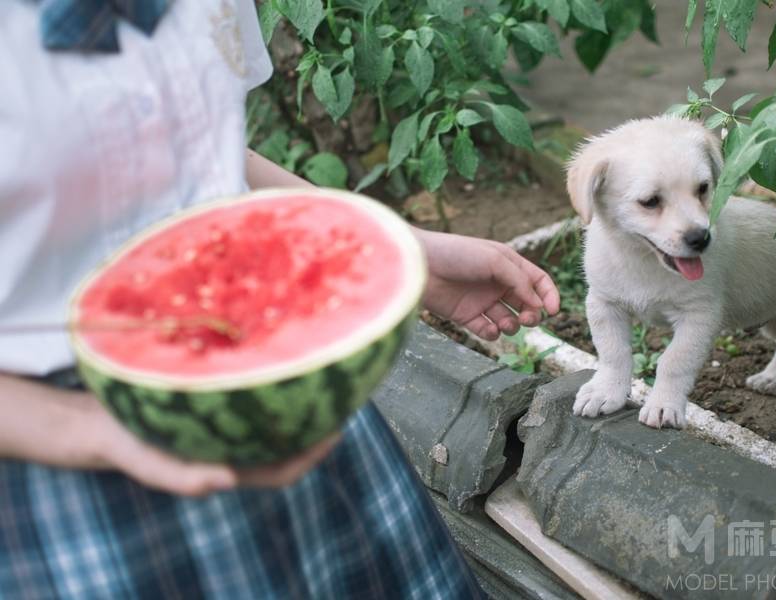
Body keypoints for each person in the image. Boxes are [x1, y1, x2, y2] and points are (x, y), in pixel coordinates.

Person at [0, 1, 560, 598]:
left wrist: (392, 247)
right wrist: (92, 429)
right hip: (56, 460)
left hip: (274, 395)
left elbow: (198, 147)